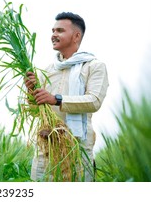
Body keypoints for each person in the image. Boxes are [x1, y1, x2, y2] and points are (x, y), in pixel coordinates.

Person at [24, 12, 109, 182]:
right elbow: (35, 111)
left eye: (60, 31)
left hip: (77, 149)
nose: (53, 35)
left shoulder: (94, 66)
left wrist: (56, 99)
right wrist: (31, 91)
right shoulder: (46, 70)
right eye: (53, 30)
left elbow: (94, 101)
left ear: (76, 36)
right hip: (46, 149)